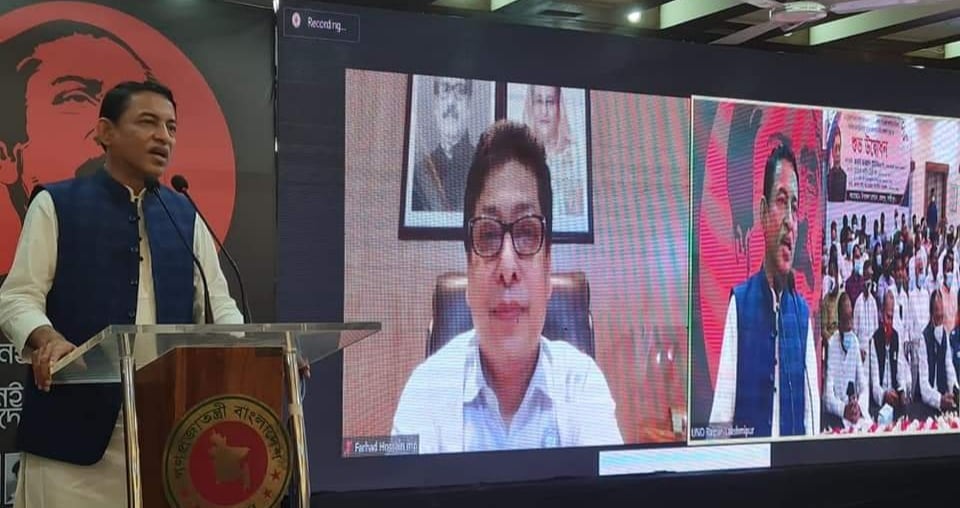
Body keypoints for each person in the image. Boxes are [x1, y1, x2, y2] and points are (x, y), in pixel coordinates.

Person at [0, 81, 243, 506]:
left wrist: (261, 353)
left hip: (166, 433)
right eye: (148, 122)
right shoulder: (56, 203)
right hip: (71, 437)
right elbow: (17, 297)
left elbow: (218, 307)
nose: (163, 137)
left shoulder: (185, 215)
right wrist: (47, 337)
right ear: (105, 132)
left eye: (171, 127)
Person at [392, 121, 622, 452]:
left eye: (527, 232)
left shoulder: (581, 383)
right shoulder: (426, 391)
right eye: (488, 235)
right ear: (469, 272)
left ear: (548, 270)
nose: (508, 267)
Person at [0, 20, 155, 274]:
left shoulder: (185, 217)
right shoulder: (49, 203)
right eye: (76, 97)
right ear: (5, 155)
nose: (160, 136)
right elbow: (22, 294)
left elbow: (216, 295)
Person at [709, 144, 820, 438]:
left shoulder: (802, 315)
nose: (790, 220)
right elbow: (720, 419)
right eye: (781, 201)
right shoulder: (740, 305)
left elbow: (812, 420)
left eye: (794, 206)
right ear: (762, 211)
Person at [412, 76, 476, 212]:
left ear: (469, 107)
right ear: (435, 106)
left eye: (460, 91)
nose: (451, 102)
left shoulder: (483, 166)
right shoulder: (418, 173)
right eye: (445, 90)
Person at [522, 84, 584, 221]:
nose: (544, 111)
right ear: (531, 106)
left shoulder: (575, 154)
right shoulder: (518, 154)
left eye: (550, 102)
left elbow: (577, 217)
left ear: (559, 107)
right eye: (539, 101)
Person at [823, 293, 870, 429]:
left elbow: (863, 385)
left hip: (855, 413)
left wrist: (858, 406)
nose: (849, 325)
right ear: (839, 323)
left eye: (851, 320)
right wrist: (844, 410)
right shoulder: (832, 345)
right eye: (845, 321)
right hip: (839, 416)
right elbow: (827, 396)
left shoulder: (854, 341)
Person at [914, 290, 958, 419]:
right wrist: (939, 399)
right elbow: (924, 385)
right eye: (937, 313)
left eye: (942, 313)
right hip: (925, 405)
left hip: (943, 401)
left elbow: (949, 368)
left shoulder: (945, 335)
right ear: (931, 313)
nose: (940, 316)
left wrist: (955, 391)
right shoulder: (924, 338)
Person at [869, 291, 911, 421]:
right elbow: (874, 383)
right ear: (881, 315)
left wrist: (902, 391)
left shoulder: (896, 338)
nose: (890, 322)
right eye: (888, 317)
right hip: (879, 402)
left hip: (895, 399)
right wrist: (884, 395)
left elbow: (900, 372)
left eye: (892, 318)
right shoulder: (874, 340)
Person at [853, 261, 879, 359]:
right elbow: (855, 331)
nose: (868, 282)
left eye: (870, 278)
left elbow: (876, 328)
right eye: (867, 277)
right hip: (861, 349)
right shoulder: (858, 302)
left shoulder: (873, 302)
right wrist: (858, 350)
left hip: (872, 349)